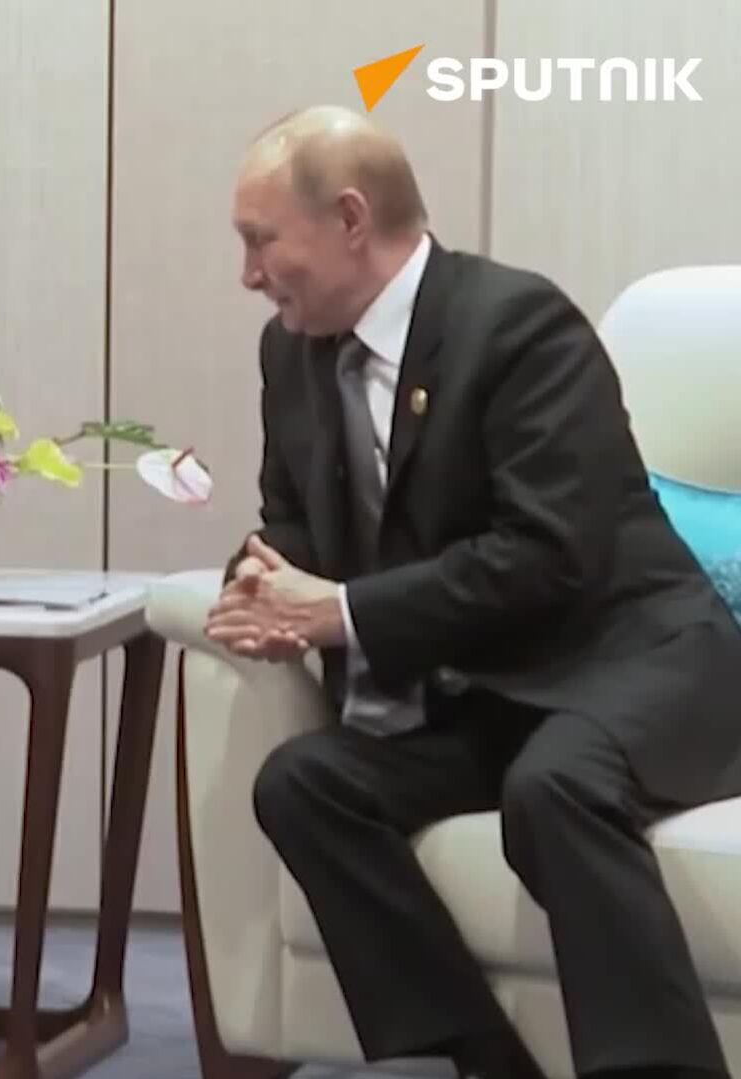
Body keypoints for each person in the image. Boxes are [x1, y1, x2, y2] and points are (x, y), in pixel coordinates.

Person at [206, 105, 741, 1079]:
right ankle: (488, 1060)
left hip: (636, 661)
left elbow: (547, 554)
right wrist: (263, 576)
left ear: (350, 218)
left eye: (261, 240)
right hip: (495, 691)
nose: (247, 275)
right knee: (306, 783)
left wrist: (340, 612)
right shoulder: (292, 351)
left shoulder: (517, 325)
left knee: (557, 786)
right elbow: (294, 516)